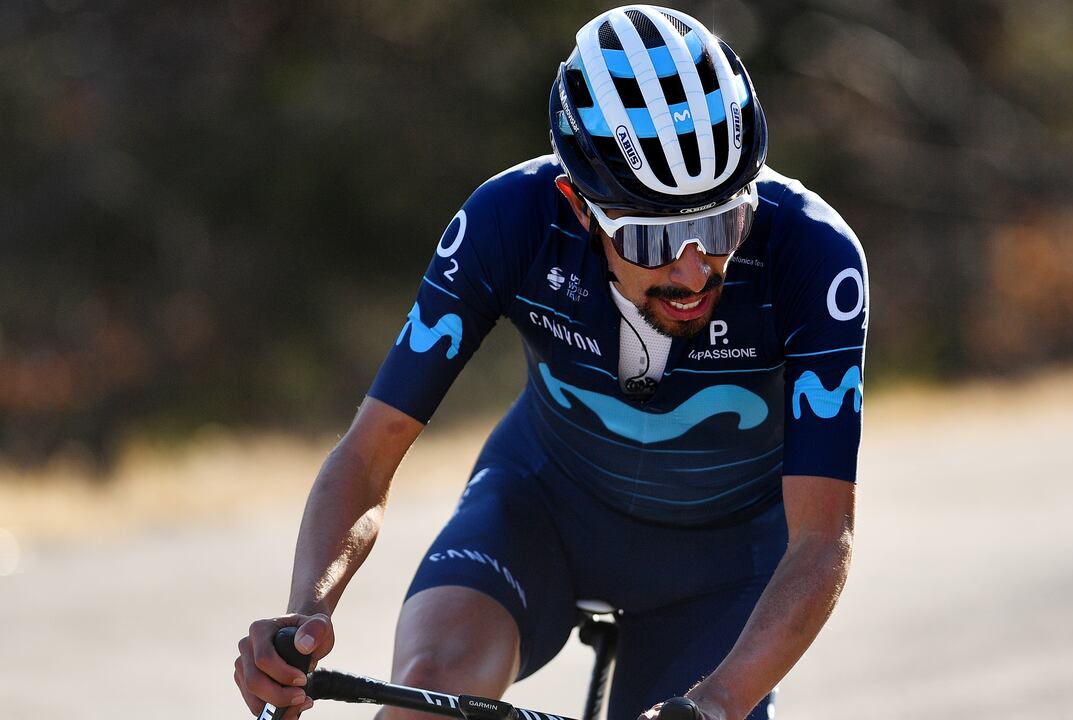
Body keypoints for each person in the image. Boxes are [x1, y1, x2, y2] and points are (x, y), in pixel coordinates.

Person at [234, 5, 868, 719]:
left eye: (721, 224)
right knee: (432, 689)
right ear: (579, 205)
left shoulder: (814, 255)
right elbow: (367, 455)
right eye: (654, 240)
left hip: (722, 565)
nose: (694, 273)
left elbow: (822, 538)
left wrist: (718, 702)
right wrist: (301, 620)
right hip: (543, 509)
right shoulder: (511, 220)